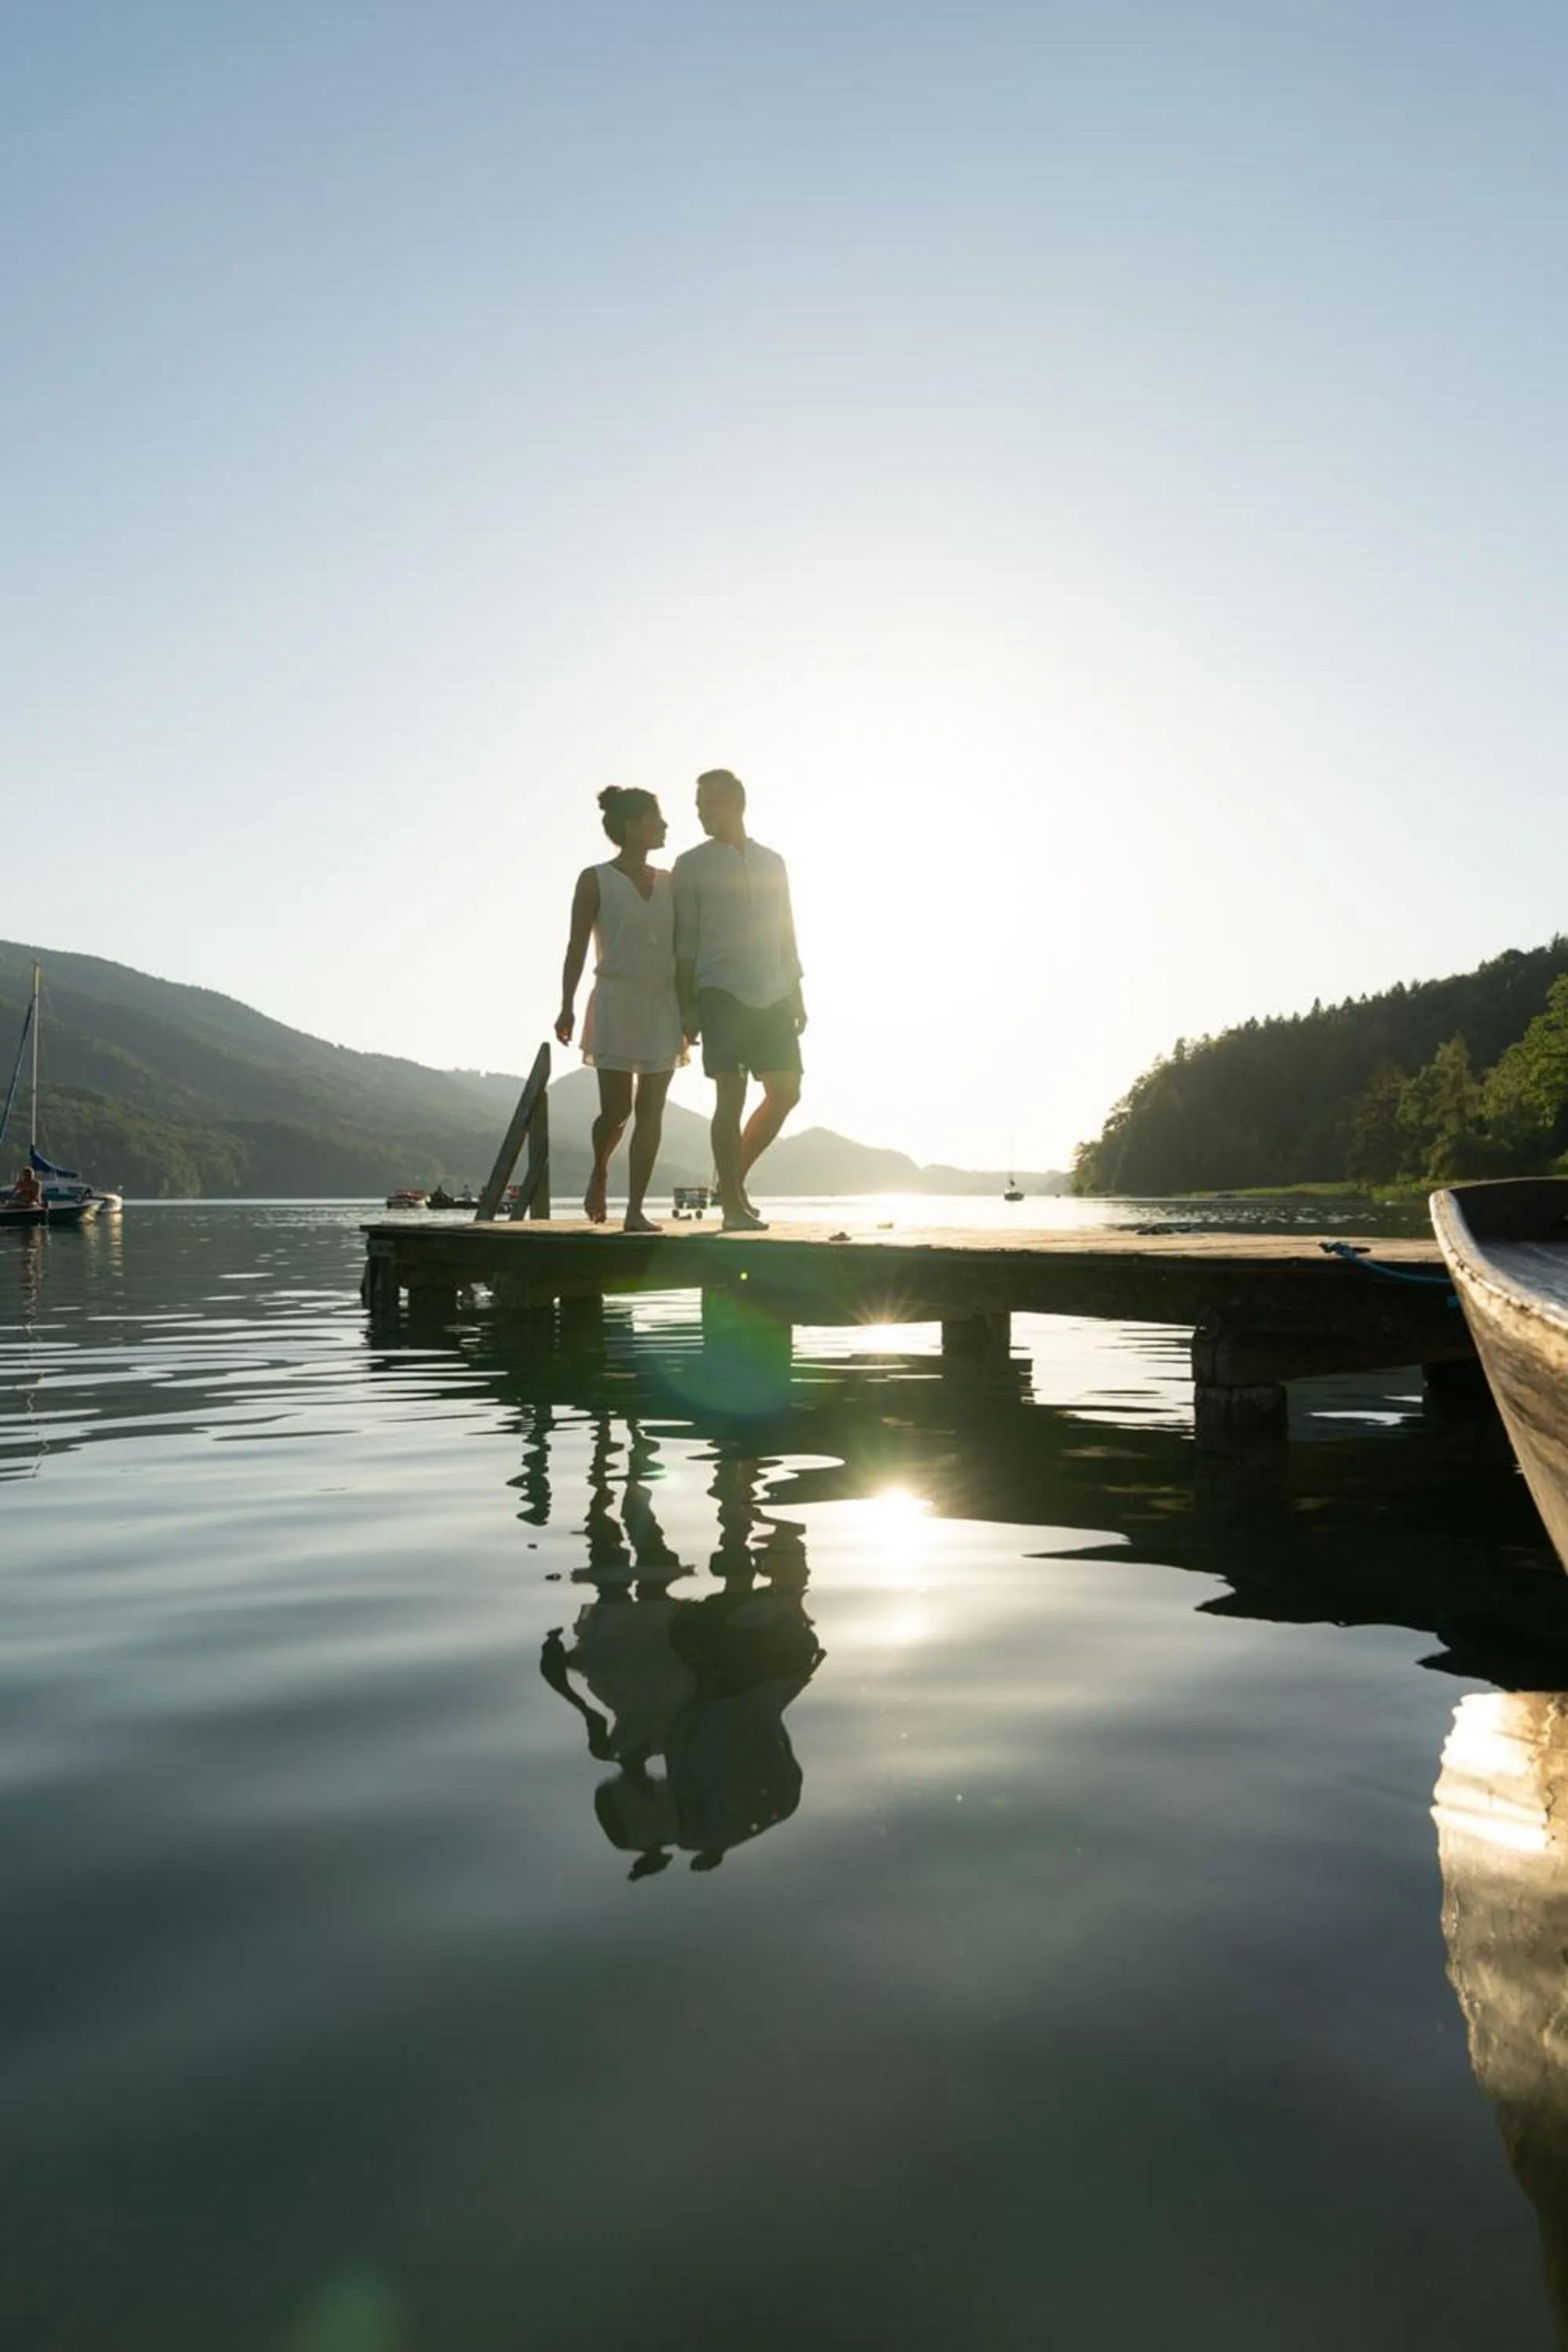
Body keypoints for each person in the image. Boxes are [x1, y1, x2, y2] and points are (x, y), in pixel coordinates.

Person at [672, 768, 805, 1232]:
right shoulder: (690, 866)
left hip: (772, 991)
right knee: (730, 1098)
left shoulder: (773, 863)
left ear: (736, 804)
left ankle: (733, 1181)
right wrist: (686, 1006)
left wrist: (797, 993)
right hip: (720, 990)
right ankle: (731, 1205)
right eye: (699, 806)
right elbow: (684, 942)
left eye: (710, 804)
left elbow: (786, 932)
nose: (702, 813)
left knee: (786, 1091)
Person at [556, 787, 684, 1232]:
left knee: (652, 1109)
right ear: (633, 826)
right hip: (614, 999)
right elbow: (576, 947)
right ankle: (600, 1171)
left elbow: (686, 947)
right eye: (657, 818)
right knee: (617, 1111)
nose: (665, 825)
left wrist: (691, 1009)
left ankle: (635, 1210)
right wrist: (567, 1007)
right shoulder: (594, 879)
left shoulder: (671, 882)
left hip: (662, 1003)